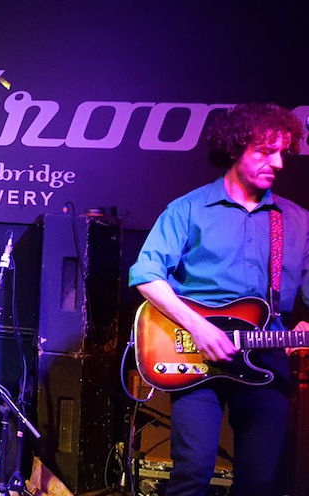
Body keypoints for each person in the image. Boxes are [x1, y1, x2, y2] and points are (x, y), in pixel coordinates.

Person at [129, 102, 309, 496]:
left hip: (267, 359)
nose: (278, 163)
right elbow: (145, 275)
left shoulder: (296, 220)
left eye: (283, 152)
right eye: (266, 151)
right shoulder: (189, 209)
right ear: (235, 148)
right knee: (192, 474)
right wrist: (200, 327)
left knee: (260, 483)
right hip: (196, 357)